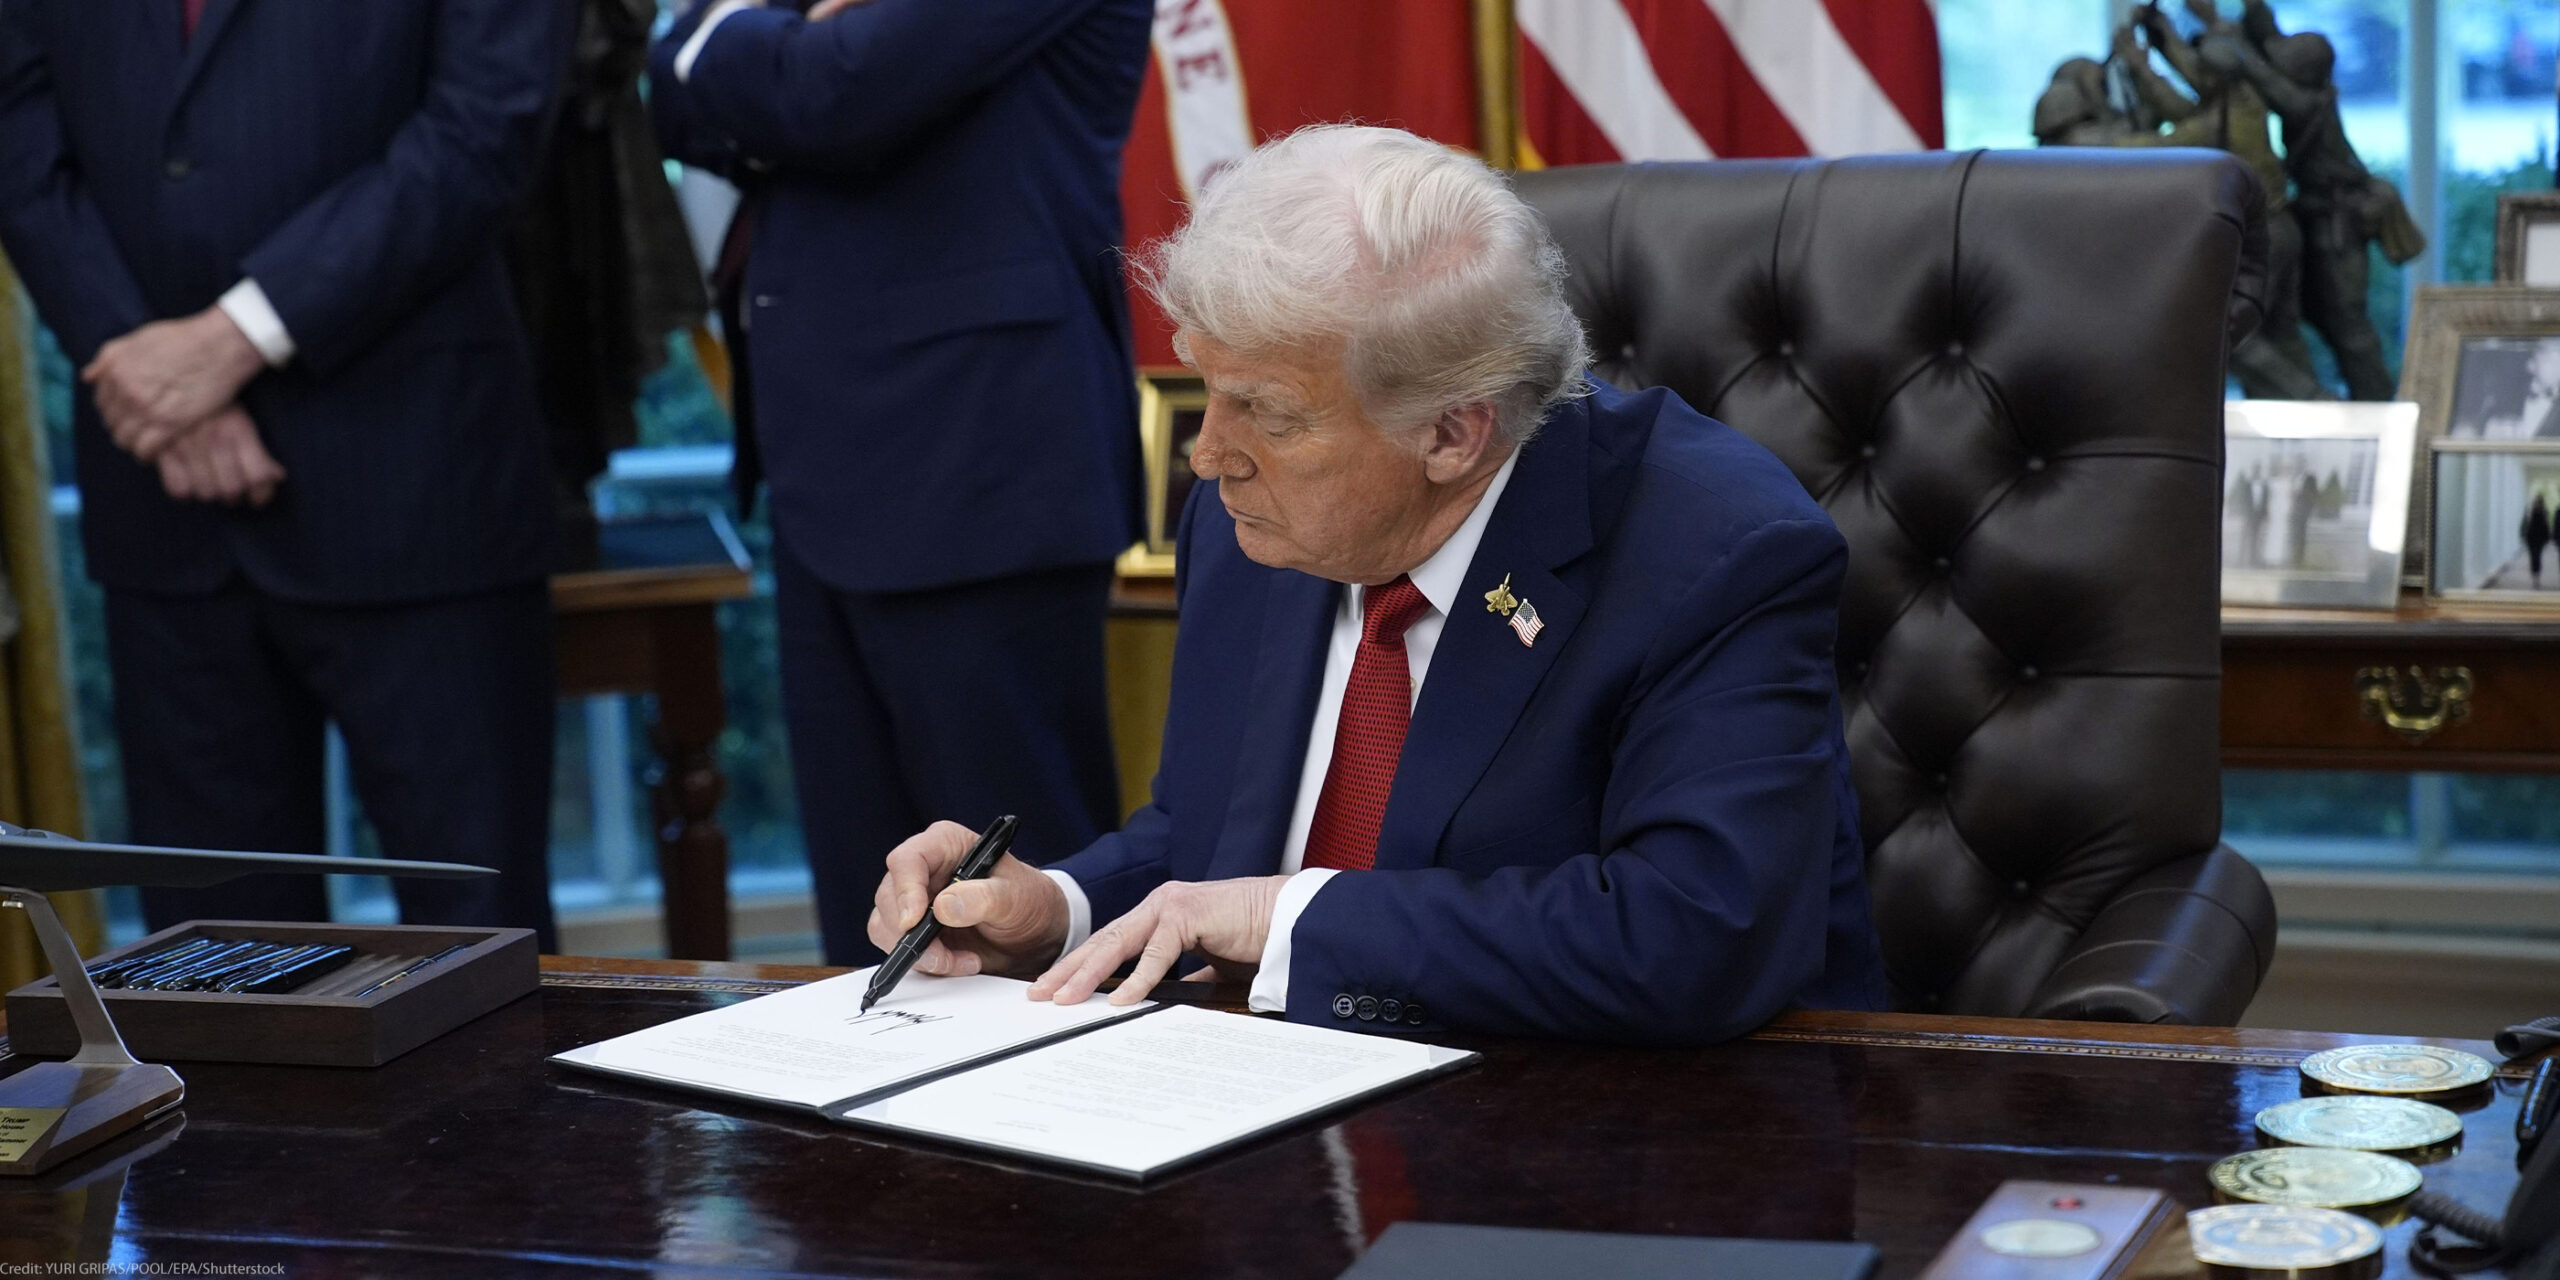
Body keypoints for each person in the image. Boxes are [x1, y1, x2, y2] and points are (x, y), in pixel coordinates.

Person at [863, 126, 1886, 1044]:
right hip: (1282, 1131)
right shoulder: (1252, 524)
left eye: (1264, 411)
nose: (1208, 456)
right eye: (1206, 391)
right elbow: (1214, 832)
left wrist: (1282, 919)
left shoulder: (1714, 551)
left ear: (1451, 431)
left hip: (1630, 1155)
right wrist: (1058, 907)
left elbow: (1695, 931)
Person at [0, 2, 574, 942]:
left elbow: (487, 124)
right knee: (210, 972)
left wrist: (236, 340)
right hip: (164, 507)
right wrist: (143, 368)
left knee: (478, 950)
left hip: (417, 481)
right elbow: (18, 145)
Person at [649, 0, 1151, 966]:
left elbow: (836, 88)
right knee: (873, 927)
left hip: (981, 467)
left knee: (1022, 914)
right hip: (823, 471)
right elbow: (670, 97)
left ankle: (1060, 1119)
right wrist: (768, 51)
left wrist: (748, 43)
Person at [2525, 492, 2553, 587]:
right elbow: (2526, 526)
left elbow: (2546, 527)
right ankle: (2535, 576)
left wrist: (2546, 538)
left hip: (2538, 540)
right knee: (2534, 558)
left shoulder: (2543, 512)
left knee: (2537, 557)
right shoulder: (2531, 512)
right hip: (2532, 539)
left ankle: (2536, 576)